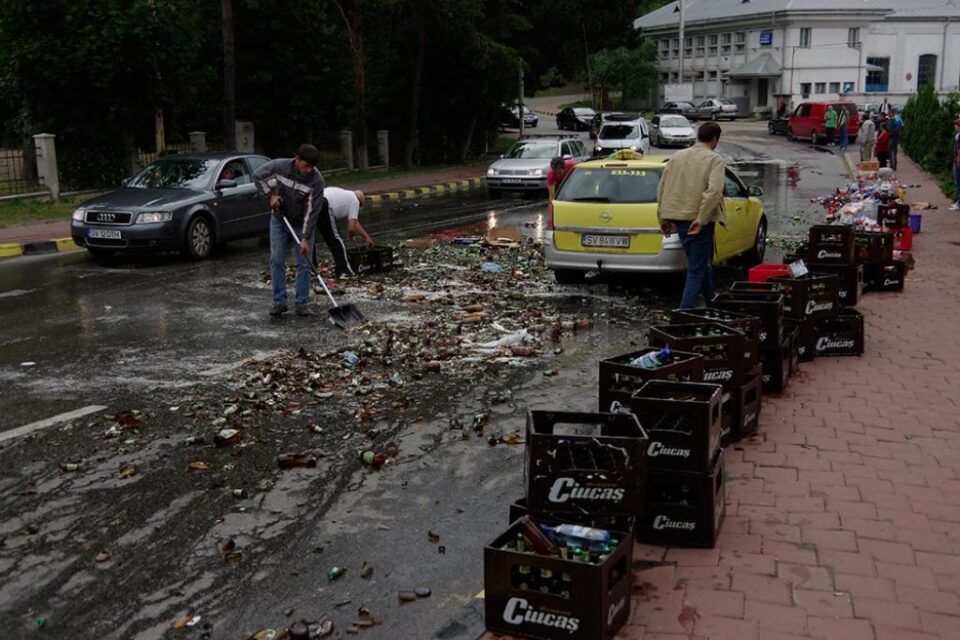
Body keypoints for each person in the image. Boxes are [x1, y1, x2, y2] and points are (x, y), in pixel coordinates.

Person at [254, 143, 353, 317]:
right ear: (297, 159)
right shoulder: (279, 166)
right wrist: (271, 197)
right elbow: (257, 176)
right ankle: (279, 302)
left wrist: (306, 238)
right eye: (306, 165)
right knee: (276, 259)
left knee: (304, 263)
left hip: (302, 223)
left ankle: (301, 303)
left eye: (312, 167)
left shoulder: (317, 181)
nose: (309, 170)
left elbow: (312, 212)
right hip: (279, 219)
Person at [657, 121, 726, 310]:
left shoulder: (677, 157)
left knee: (701, 265)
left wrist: (663, 218)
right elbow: (714, 192)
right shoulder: (714, 159)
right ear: (714, 139)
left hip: (679, 219)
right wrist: (701, 220)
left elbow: (662, 188)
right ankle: (683, 314)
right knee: (696, 270)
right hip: (698, 222)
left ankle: (711, 303)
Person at [951, 116, 960, 211]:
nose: (955, 126)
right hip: (956, 161)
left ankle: (959, 203)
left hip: (958, 162)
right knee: (957, 182)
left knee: (959, 183)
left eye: (956, 124)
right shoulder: (957, 135)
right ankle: (958, 201)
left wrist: (958, 160)